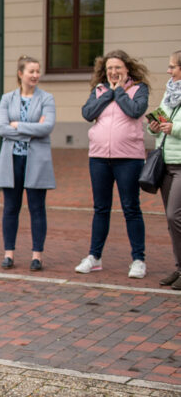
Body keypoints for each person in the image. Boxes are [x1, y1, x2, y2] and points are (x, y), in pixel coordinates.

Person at [75, 50, 151, 279]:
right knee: (101, 208)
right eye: (109, 68)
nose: (113, 72)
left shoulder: (139, 89)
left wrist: (119, 92)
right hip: (99, 158)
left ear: (127, 69)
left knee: (131, 208)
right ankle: (94, 257)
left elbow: (135, 111)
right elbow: (88, 113)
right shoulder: (100, 90)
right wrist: (109, 93)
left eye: (118, 67)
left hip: (129, 159)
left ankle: (138, 260)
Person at [0, 56, 56, 271]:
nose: (36, 75)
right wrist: (32, 130)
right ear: (21, 74)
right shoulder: (7, 99)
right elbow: (1, 128)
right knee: (11, 208)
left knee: (37, 208)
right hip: (11, 160)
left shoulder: (46, 98)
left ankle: (37, 256)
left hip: (36, 161)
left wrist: (17, 126)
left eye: (38, 71)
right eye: (31, 71)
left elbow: (47, 127)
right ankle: (8, 253)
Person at [149, 49, 181, 289]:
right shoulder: (170, 92)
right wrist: (153, 126)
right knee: (171, 222)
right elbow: (160, 121)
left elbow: (174, 126)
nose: (169, 70)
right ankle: (179, 268)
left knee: (174, 216)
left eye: (173, 66)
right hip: (165, 162)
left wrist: (174, 128)